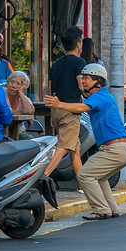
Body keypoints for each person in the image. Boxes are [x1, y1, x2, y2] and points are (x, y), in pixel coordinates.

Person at [44, 63, 126, 220]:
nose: (83, 81)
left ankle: (101, 209)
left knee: (84, 175)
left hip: (114, 149)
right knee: (100, 177)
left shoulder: (100, 96)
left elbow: (81, 107)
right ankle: (112, 208)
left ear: (98, 80)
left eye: (87, 78)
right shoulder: (103, 96)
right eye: (82, 77)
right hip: (119, 148)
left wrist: (58, 105)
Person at [44, 27, 87, 178]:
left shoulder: (56, 63)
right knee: (63, 147)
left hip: (56, 109)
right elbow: (81, 85)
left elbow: (50, 88)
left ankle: (84, 183)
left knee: (75, 149)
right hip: (71, 111)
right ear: (78, 44)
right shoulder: (79, 62)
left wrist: (51, 113)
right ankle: (43, 176)